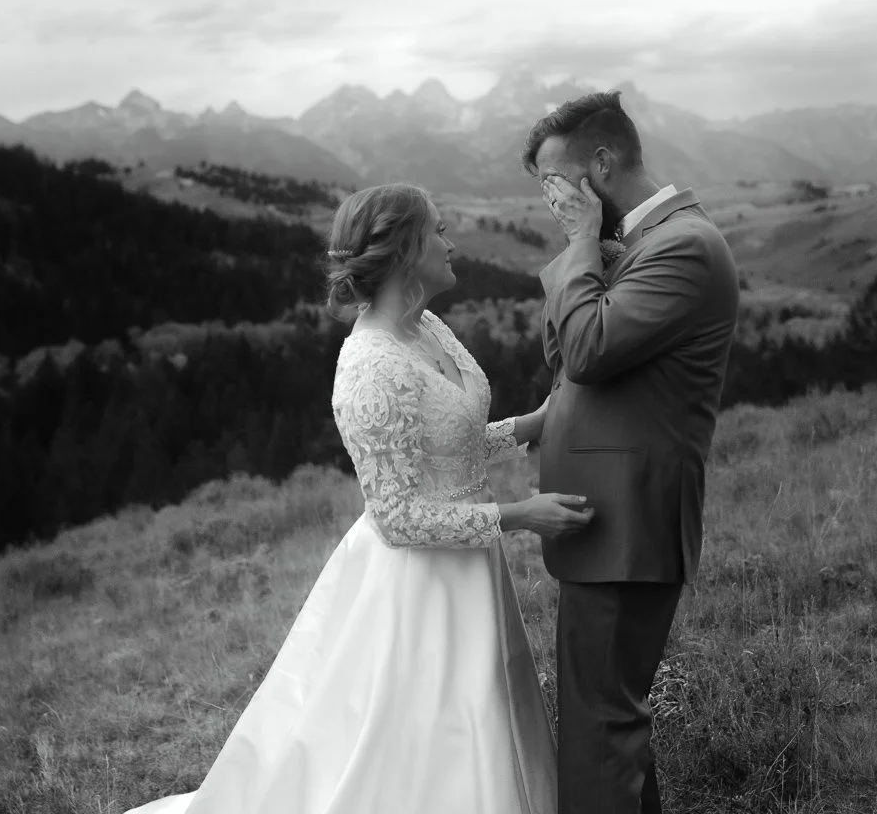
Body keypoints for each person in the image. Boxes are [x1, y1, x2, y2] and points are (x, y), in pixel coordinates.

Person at [123, 182, 593, 814]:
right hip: (417, 582)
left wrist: (526, 425)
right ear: (404, 251)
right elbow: (396, 517)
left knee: (483, 711)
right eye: (440, 232)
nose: (452, 243)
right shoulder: (369, 366)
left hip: (467, 563)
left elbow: (443, 446)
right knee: (427, 734)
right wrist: (520, 517)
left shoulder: (426, 325)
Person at [522, 91, 741, 814]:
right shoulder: (640, 244)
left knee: (598, 729)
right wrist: (586, 248)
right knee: (604, 722)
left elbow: (585, 350)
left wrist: (586, 245)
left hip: (629, 524)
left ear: (602, 164)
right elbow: (564, 356)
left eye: (556, 183)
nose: (552, 202)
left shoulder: (684, 245)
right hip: (603, 522)